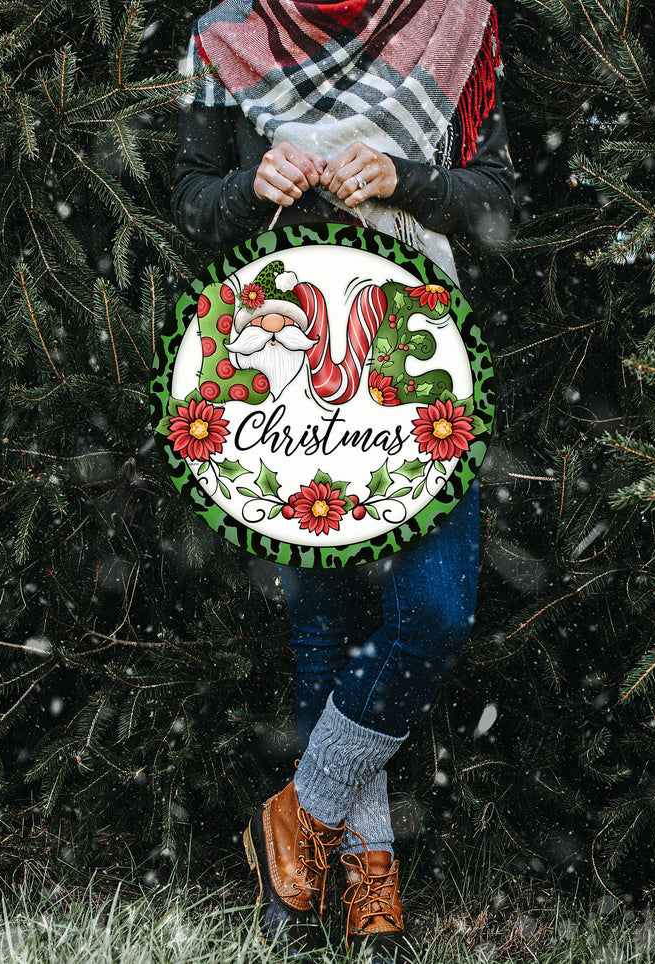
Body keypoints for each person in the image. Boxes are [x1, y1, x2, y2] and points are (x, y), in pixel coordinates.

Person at [169, 0, 515, 955]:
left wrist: (409, 180)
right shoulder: (223, 33)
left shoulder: (455, 20)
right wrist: (252, 184)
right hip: (280, 364)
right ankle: (357, 898)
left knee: (434, 609)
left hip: (413, 358)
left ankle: (298, 818)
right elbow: (192, 201)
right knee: (324, 622)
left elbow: (498, 200)